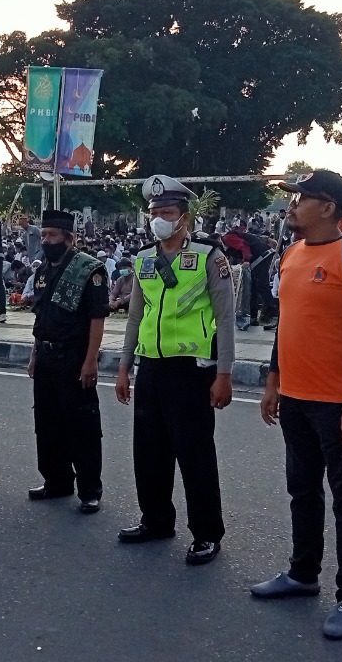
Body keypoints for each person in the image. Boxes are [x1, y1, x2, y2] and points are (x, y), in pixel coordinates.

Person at [255, 170, 342, 642]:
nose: (290, 206)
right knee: (302, 491)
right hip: (295, 398)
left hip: (338, 404)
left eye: (300, 199)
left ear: (327, 206)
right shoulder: (292, 254)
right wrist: (273, 381)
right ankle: (302, 573)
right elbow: (286, 324)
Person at [115, 174, 235, 566]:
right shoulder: (143, 259)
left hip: (192, 369)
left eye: (165, 212)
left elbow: (226, 318)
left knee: (195, 453)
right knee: (149, 451)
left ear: (185, 217)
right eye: (153, 212)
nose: (158, 219)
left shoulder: (208, 255)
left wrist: (224, 373)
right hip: (151, 366)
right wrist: (124, 367)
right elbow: (135, 317)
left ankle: (206, 533)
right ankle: (156, 520)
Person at [25, 210, 109, 513]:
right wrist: (35, 355)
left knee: (82, 425)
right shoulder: (43, 271)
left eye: (52, 236)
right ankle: (57, 481)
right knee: (47, 423)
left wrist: (91, 361)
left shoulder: (90, 270)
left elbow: (97, 319)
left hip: (75, 358)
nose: (46, 241)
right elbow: (41, 317)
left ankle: (90, 490)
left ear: (69, 238)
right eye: (44, 235)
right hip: (46, 355)